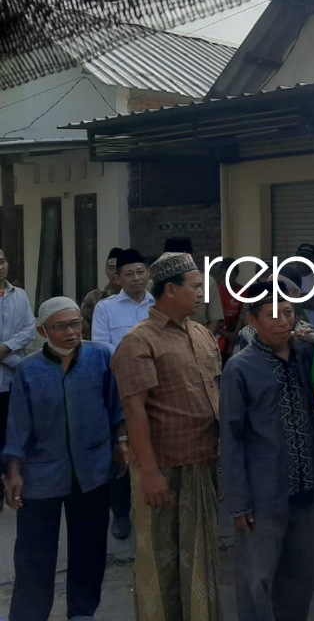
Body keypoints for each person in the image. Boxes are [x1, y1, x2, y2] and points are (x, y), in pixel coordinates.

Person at [111, 252, 223, 621]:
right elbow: (134, 410)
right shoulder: (138, 342)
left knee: (200, 557)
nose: (202, 293)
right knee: (162, 563)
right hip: (162, 468)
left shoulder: (203, 334)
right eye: (195, 287)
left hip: (202, 462)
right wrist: (151, 472)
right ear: (170, 290)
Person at [2, 297, 126, 621]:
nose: (71, 332)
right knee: (34, 555)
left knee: (90, 549)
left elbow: (116, 408)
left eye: (75, 324)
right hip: (41, 475)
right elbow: (17, 426)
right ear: (43, 331)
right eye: (61, 326)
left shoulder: (100, 357)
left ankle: (82, 613)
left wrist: (122, 443)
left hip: (93, 470)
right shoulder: (29, 370)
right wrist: (12, 472)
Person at [220, 282, 314, 621]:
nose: (283, 321)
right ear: (252, 320)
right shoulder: (240, 367)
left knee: (302, 575)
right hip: (263, 494)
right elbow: (231, 439)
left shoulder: (305, 359)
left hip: (306, 488)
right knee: (257, 579)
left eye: (288, 313)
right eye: (272, 315)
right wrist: (239, 501)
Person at [91, 247, 155, 540]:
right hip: (120, 389)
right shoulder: (105, 308)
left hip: (156, 388)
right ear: (118, 278)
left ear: (148, 274)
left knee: (154, 446)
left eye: (140, 272)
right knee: (122, 450)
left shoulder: (158, 305)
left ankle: (152, 507)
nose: (136, 278)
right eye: (129, 274)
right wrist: (135, 361)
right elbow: (101, 346)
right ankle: (120, 514)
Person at [0, 247, 38, 484]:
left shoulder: (20, 295)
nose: (0, 266)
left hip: (14, 378)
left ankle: (11, 476)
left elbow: (29, 329)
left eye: (2, 261)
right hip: (10, 366)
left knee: (12, 431)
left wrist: (5, 348)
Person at [164, 237, 224, 338]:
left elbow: (215, 319)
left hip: (199, 342)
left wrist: (202, 342)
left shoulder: (207, 282)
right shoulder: (155, 285)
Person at [80, 247, 122, 340]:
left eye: (119, 268)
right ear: (106, 271)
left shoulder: (137, 297)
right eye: (111, 268)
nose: (115, 272)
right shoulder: (93, 298)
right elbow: (85, 334)